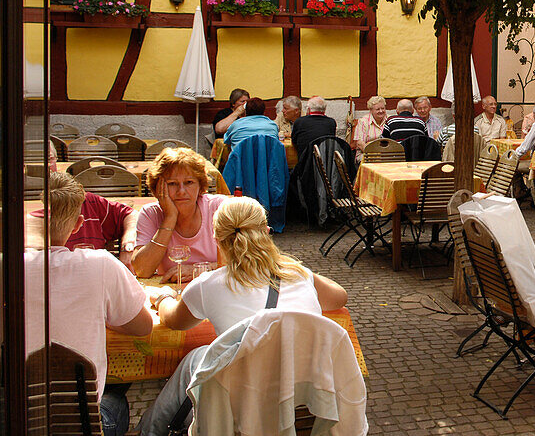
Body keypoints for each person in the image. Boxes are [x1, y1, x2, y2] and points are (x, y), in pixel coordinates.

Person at [139, 197, 348, 436]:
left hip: (240, 404)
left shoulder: (208, 285)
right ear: (267, 233)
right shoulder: (296, 274)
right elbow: (339, 296)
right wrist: (296, 269)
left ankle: (151, 431)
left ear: (216, 239)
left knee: (197, 358)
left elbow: (173, 321)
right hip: (301, 395)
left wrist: (162, 297)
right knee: (199, 357)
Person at [25, 172, 153, 436]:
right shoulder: (100, 263)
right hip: (85, 425)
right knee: (116, 396)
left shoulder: (11, 267)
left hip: (22, 418)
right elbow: (143, 327)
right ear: (78, 224)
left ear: (38, 220)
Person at [132, 147, 231, 279]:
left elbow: (248, 260)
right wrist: (170, 218)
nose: (181, 191)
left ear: (200, 186)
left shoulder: (219, 208)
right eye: (172, 184)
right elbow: (142, 270)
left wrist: (200, 270)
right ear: (158, 188)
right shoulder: (150, 213)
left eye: (189, 182)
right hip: (171, 295)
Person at [43, 141, 140, 262]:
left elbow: (130, 215)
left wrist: (128, 246)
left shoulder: (84, 201)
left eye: (49, 158)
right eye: (32, 161)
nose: (43, 165)